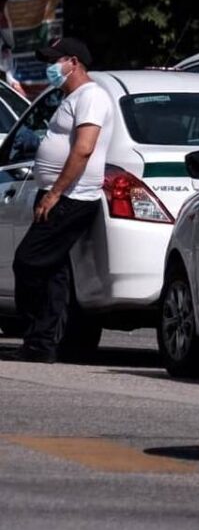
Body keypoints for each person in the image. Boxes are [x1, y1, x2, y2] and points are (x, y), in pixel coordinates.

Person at [11, 37, 112, 362]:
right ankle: (42, 344)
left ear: (74, 63)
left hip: (71, 196)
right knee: (54, 271)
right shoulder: (71, 97)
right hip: (59, 194)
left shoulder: (92, 96)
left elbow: (84, 148)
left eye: (56, 61)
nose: (50, 67)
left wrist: (55, 193)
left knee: (27, 261)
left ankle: (37, 334)